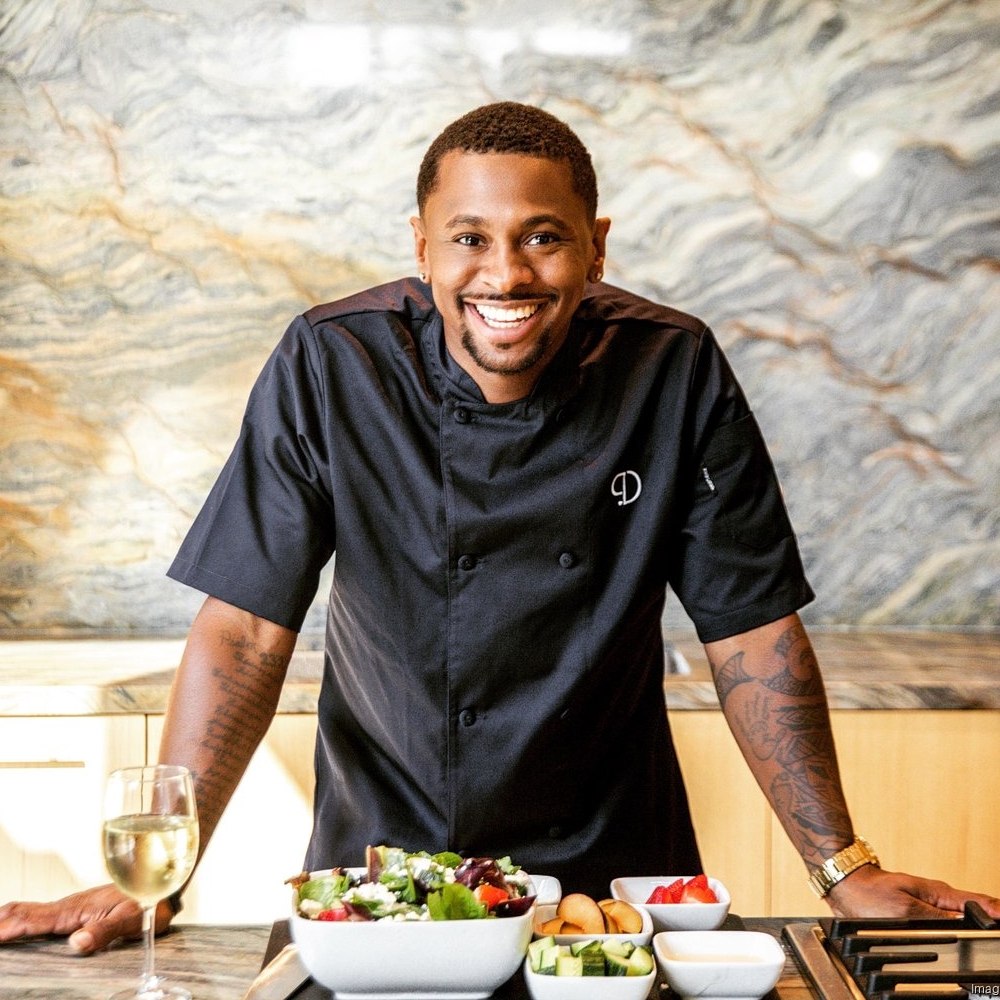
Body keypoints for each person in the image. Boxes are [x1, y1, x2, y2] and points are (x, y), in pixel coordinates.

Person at [1, 102, 996, 954]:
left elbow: (751, 634)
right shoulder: (332, 363)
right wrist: (157, 880)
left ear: (595, 243)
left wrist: (840, 866)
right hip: (379, 875)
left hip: (612, 885)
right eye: (470, 236)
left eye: (543, 235)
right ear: (422, 243)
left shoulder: (671, 368)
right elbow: (246, 630)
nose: (506, 274)